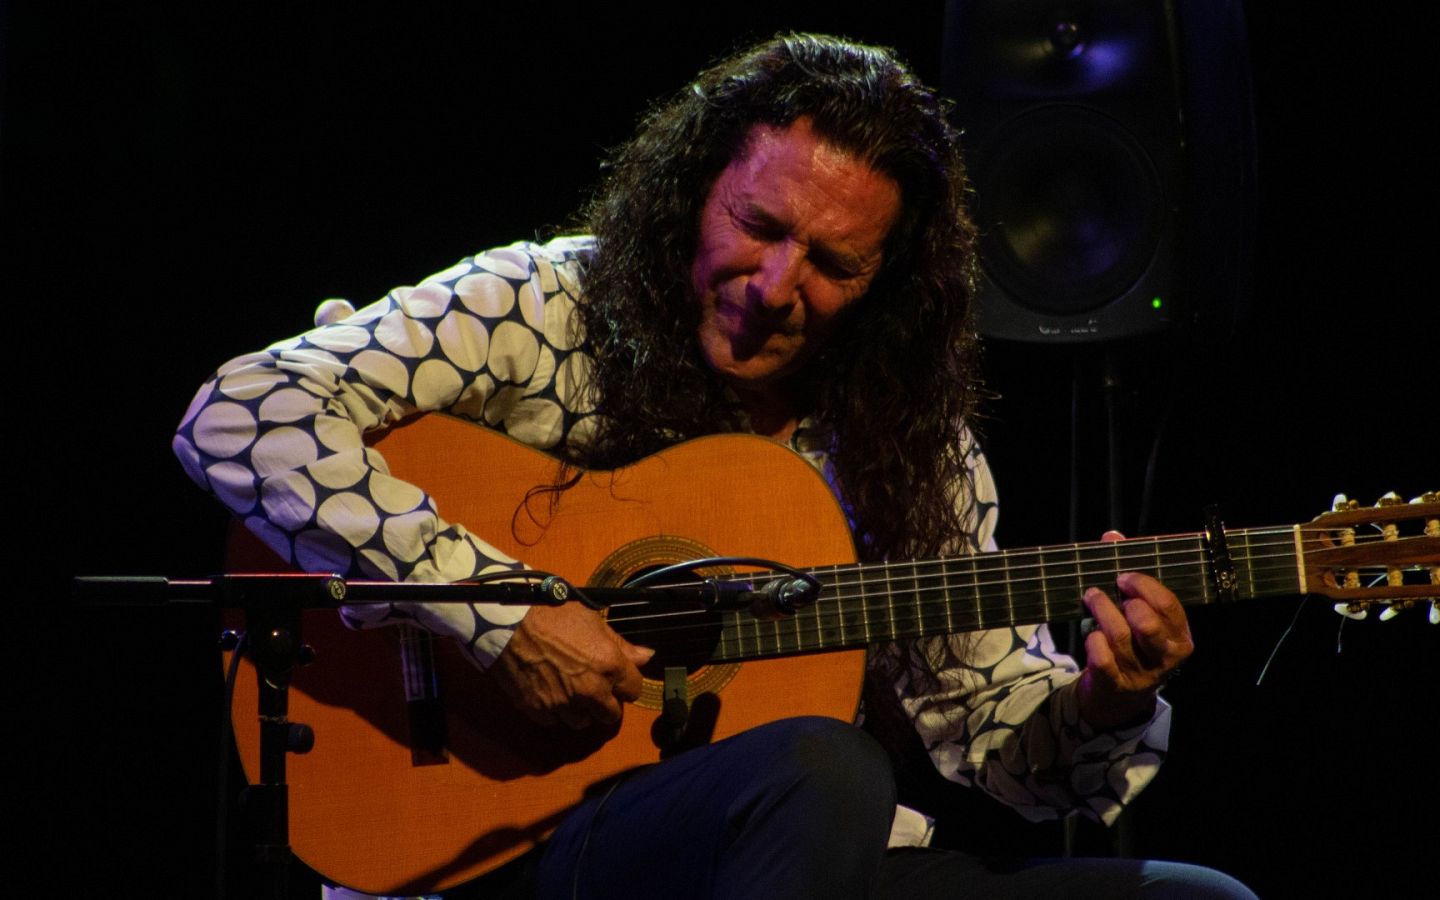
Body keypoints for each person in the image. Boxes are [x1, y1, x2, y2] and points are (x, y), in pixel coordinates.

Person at [175, 33, 1253, 899]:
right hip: (512, 846)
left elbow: (1001, 740)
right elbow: (238, 414)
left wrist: (1107, 702)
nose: (774, 286)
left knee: (1197, 896)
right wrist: (500, 619)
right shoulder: (541, 305)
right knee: (826, 767)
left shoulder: (914, 449)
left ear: (888, 285)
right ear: (696, 187)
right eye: (756, 224)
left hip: (798, 848)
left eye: (832, 264)